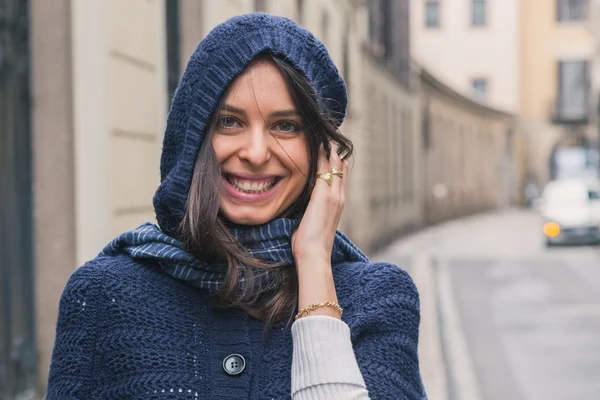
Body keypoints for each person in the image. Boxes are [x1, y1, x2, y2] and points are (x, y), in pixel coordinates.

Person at [46, 13, 427, 400]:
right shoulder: (102, 297)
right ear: (193, 138)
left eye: (286, 126)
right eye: (229, 122)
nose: (256, 153)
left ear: (322, 153)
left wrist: (313, 262)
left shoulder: (378, 302)